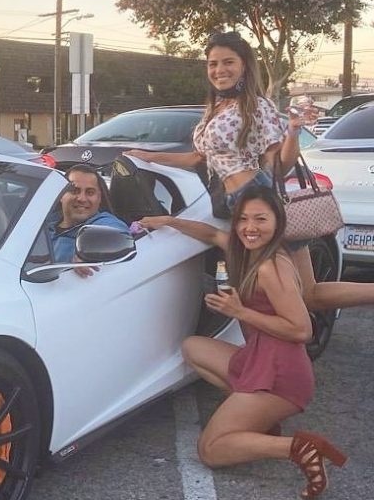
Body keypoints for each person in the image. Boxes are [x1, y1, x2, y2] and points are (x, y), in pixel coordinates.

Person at [126, 30, 374, 311]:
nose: (219, 70)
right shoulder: (216, 107)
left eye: (228, 62)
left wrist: (293, 132)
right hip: (235, 203)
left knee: (302, 293)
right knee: (301, 292)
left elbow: (281, 164)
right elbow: (198, 157)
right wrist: (148, 157)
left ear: (244, 66)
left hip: (257, 198)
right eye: (213, 63)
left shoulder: (257, 106)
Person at [140, 186, 347, 500]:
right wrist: (170, 221)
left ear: (277, 223)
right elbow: (212, 234)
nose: (250, 227)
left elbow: (302, 330)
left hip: (281, 377)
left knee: (210, 450)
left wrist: (240, 312)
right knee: (193, 347)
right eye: (243, 219)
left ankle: (299, 447)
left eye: (261, 219)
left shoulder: (270, 266)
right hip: (259, 358)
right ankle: (260, 421)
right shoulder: (245, 251)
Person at [48, 164, 128, 277]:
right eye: (75, 190)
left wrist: (88, 253)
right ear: (60, 194)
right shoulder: (43, 223)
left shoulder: (103, 222)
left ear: (99, 198)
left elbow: (118, 234)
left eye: (90, 192)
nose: (82, 199)